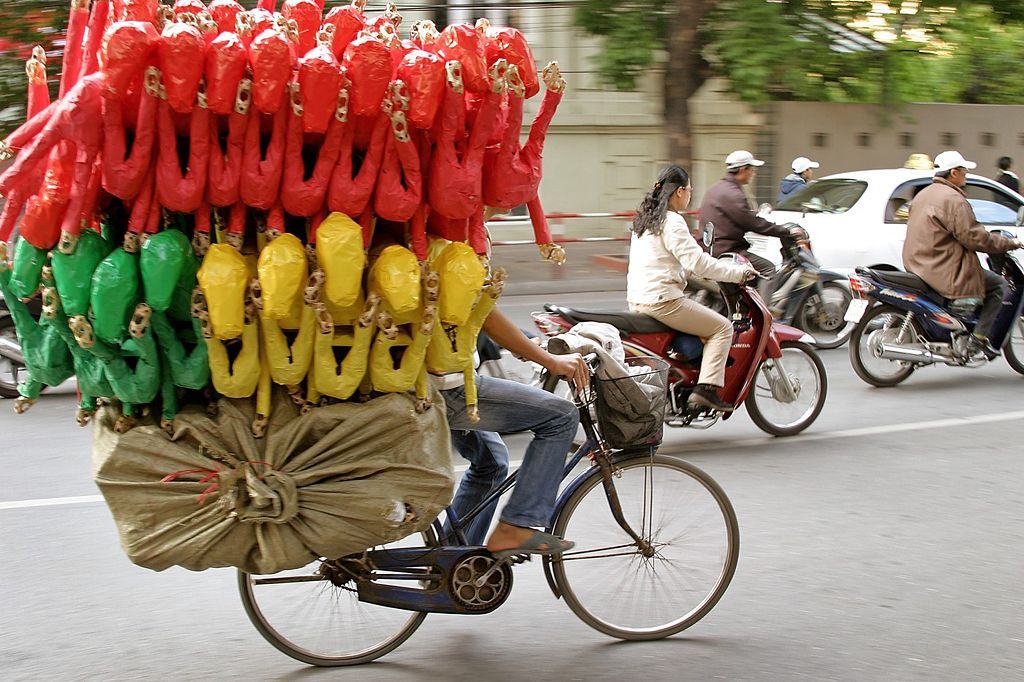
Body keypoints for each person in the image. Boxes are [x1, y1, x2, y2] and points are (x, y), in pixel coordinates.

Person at [437, 305, 589, 557]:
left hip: (436, 378)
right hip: (448, 385)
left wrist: (525, 343)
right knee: (561, 416)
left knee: (492, 463)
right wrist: (550, 361)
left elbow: (473, 309)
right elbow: (482, 308)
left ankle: (451, 561)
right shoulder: (458, 263)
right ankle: (515, 526)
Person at [626, 164, 759, 412]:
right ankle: (706, 390)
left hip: (639, 299)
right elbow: (698, 263)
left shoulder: (645, 221)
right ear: (679, 192)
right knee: (722, 327)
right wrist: (738, 272)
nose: (690, 194)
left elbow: (665, 260)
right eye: (689, 189)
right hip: (663, 301)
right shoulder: (673, 221)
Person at [903, 151, 1022, 359]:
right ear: (954, 173)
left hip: (918, 264)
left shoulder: (923, 195)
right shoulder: (954, 199)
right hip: (943, 268)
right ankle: (979, 338)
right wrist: (1009, 243)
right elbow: (975, 238)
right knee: (998, 286)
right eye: (964, 171)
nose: (966, 175)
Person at [699, 150, 804, 278]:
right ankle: (764, 299)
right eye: (752, 169)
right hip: (727, 250)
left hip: (712, 248)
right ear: (743, 169)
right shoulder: (733, 193)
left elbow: (742, 217)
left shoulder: (716, 188)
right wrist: (785, 231)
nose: (753, 173)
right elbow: (753, 223)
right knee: (768, 269)